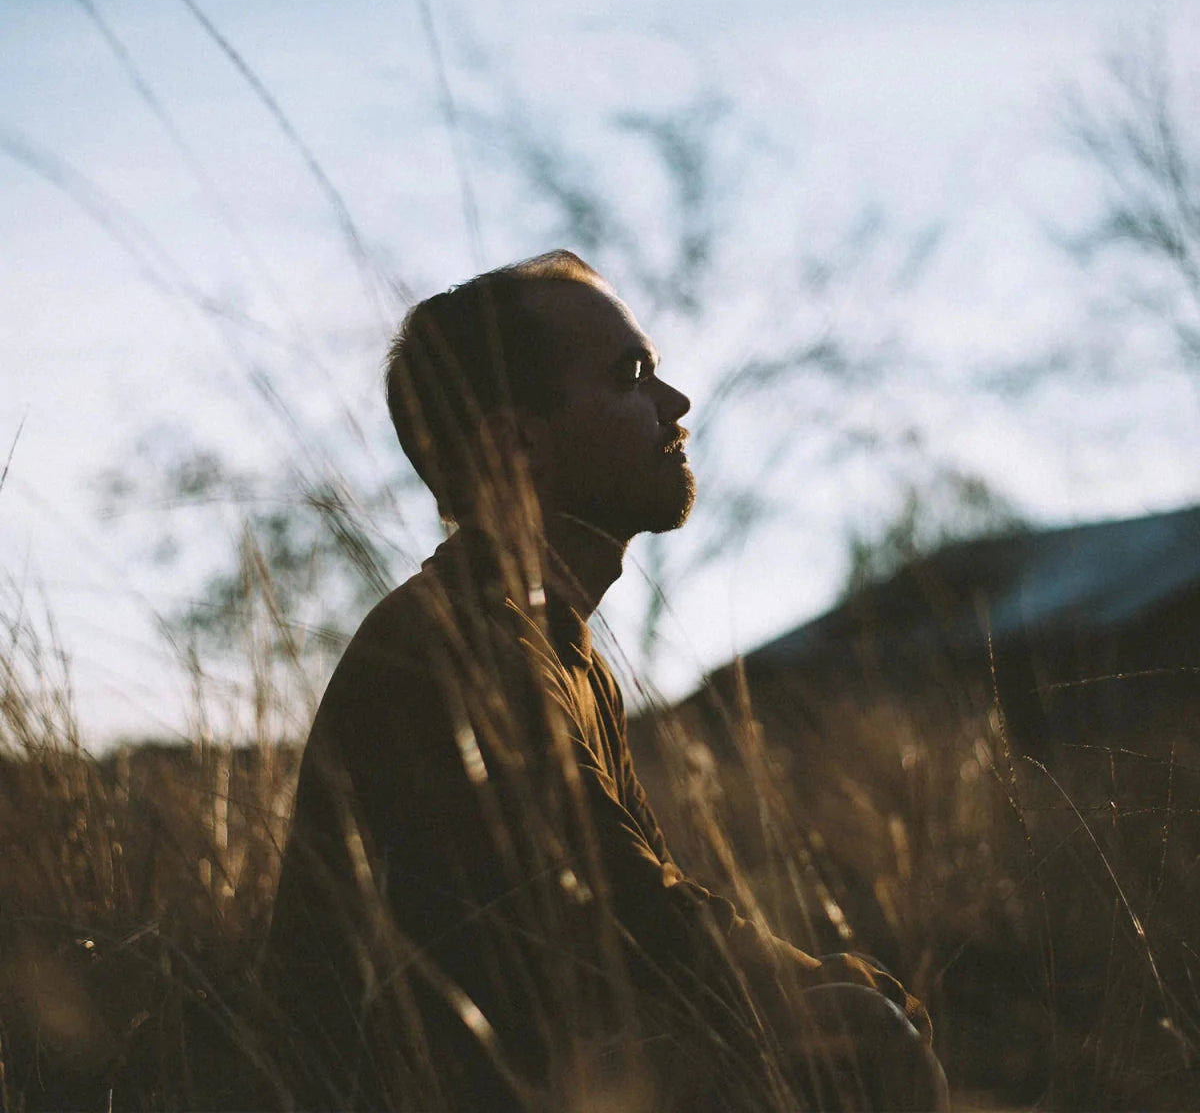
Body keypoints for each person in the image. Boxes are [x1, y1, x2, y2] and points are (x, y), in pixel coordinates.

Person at [260, 251, 948, 1111]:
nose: (676, 404)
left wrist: (820, 981)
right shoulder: (464, 649)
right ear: (518, 442)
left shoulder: (559, 647)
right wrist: (824, 985)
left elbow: (638, 909)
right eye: (633, 376)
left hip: (525, 1073)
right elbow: (628, 922)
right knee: (860, 1039)